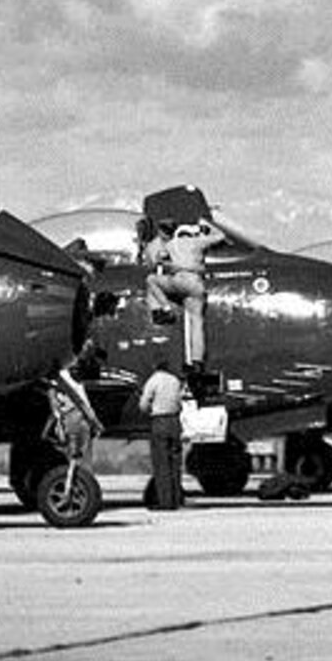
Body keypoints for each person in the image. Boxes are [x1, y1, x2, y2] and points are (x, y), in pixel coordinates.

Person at [145, 218, 227, 368]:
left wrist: (171, 265)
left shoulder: (170, 245)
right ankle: (197, 361)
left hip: (177, 281)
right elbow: (221, 236)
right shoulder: (198, 242)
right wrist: (208, 225)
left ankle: (165, 309)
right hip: (195, 284)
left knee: (151, 280)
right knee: (197, 322)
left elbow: (158, 261)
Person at [137, 357, 186, 510]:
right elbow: (180, 400)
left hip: (160, 422)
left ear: (154, 366)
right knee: (175, 464)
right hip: (175, 421)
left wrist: (148, 410)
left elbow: (143, 405)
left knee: (161, 463)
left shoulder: (153, 381)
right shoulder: (175, 381)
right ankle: (176, 498)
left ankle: (165, 502)